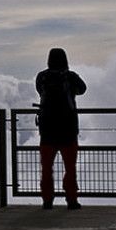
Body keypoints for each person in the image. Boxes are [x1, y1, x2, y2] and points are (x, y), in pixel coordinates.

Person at [35, 48, 86, 210]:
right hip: (68, 130)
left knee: (47, 168)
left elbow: (39, 90)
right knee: (70, 167)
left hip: (47, 130)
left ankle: (47, 200)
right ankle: (71, 200)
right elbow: (83, 89)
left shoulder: (42, 77)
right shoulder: (70, 77)